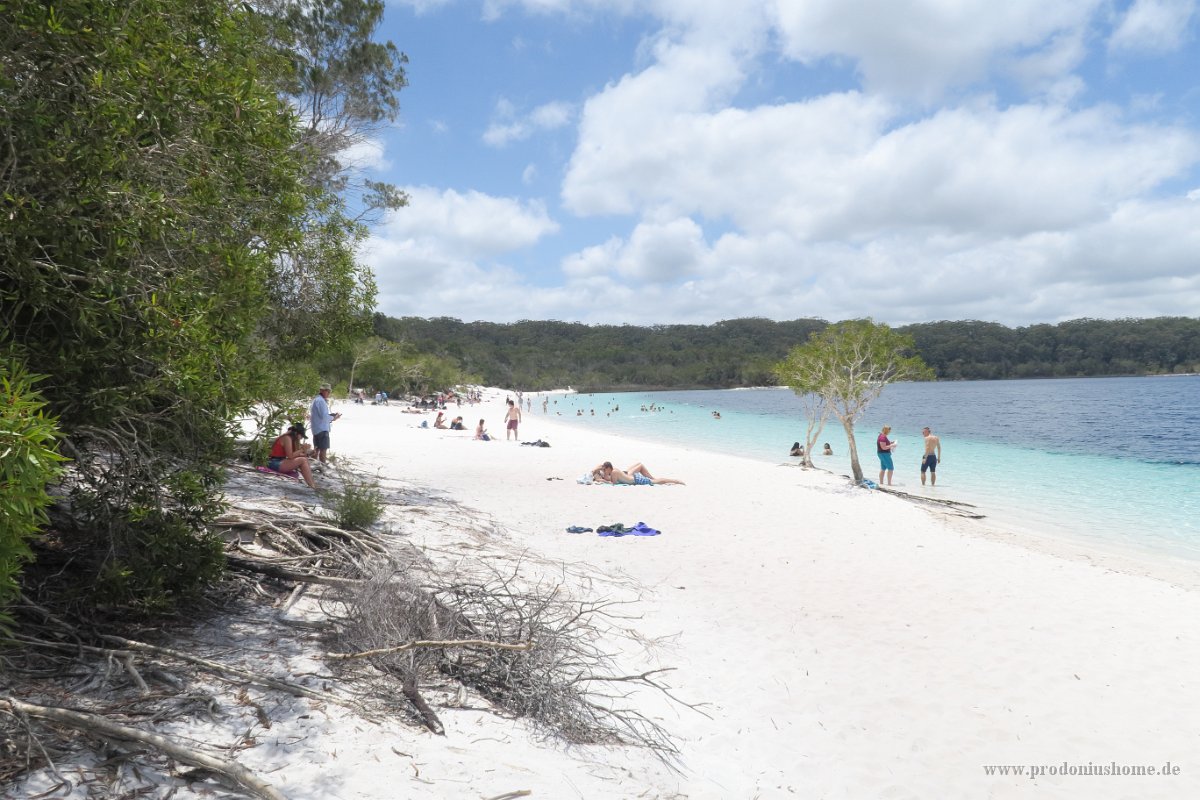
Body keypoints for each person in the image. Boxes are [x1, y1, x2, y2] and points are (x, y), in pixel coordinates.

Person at [267, 422, 317, 489]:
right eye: (301, 436)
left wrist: (308, 453)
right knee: (303, 460)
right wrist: (302, 449)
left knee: (304, 459)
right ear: (296, 433)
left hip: (280, 461)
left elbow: (297, 455)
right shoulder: (287, 438)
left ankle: (312, 484)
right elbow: (290, 456)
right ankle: (312, 485)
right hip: (274, 462)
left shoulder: (291, 439)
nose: (301, 438)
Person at [310, 383, 341, 463]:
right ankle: (322, 468)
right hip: (322, 429)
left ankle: (313, 466)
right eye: (327, 391)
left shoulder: (317, 400)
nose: (328, 393)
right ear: (322, 391)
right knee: (323, 450)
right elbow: (324, 417)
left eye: (329, 391)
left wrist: (331, 417)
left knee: (316, 449)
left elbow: (321, 415)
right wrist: (333, 418)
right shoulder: (320, 401)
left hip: (316, 428)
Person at [591, 461, 685, 486]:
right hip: (632, 478)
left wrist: (602, 481)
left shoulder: (614, 472)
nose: (604, 471)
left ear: (608, 468)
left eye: (604, 469)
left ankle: (675, 481)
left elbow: (613, 483)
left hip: (636, 480)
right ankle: (674, 481)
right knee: (654, 480)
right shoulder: (613, 469)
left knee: (656, 482)